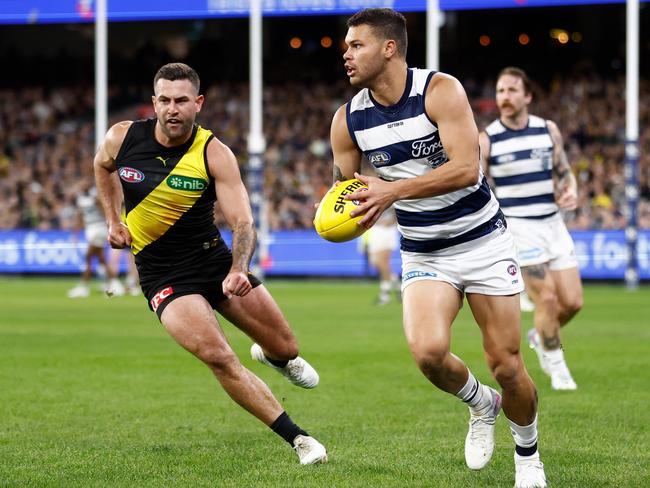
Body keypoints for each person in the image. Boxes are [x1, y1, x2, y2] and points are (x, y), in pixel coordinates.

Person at [329, 9, 546, 487]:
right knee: (428, 353)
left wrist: (391, 191)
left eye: (356, 45)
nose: (345, 53)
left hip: (483, 242)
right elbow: (346, 190)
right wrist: (338, 214)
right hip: (426, 251)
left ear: (389, 48)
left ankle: (528, 456)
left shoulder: (439, 91)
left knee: (507, 365)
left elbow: (468, 168)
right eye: (346, 46)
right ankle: (480, 404)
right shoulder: (347, 122)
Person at [93, 62, 327, 465]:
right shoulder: (122, 137)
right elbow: (102, 167)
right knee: (218, 355)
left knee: (286, 346)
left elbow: (243, 222)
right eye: (164, 100)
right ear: (153, 102)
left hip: (215, 262)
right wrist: (114, 220)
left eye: (181, 100)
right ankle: (300, 439)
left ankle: (273, 357)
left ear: (197, 103)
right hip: (163, 275)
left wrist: (238, 268)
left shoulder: (213, 153)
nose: (172, 109)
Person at [480, 67, 583, 391]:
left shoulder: (547, 130)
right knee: (548, 299)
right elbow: (478, 185)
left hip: (553, 224)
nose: (504, 97)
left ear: (527, 96)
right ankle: (558, 367)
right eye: (500, 91)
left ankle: (541, 335)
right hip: (520, 228)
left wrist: (571, 188)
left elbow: (564, 171)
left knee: (572, 302)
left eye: (511, 90)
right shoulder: (488, 138)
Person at [68, 178, 125, 298]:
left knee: (89, 257)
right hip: (90, 229)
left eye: (85, 183)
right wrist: (75, 233)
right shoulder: (81, 199)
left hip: (99, 228)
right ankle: (115, 284)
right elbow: (80, 217)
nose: (82, 186)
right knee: (101, 259)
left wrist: (109, 225)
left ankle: (83, 287)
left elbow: (105, 211)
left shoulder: (96, 197)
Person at [365, 206, 400, 305]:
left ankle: (385, 295)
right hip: (374, 228)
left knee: (383, 262)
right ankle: (398, 286)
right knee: (375, 262)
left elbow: (398, 205)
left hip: (387, 229)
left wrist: (392, 221)